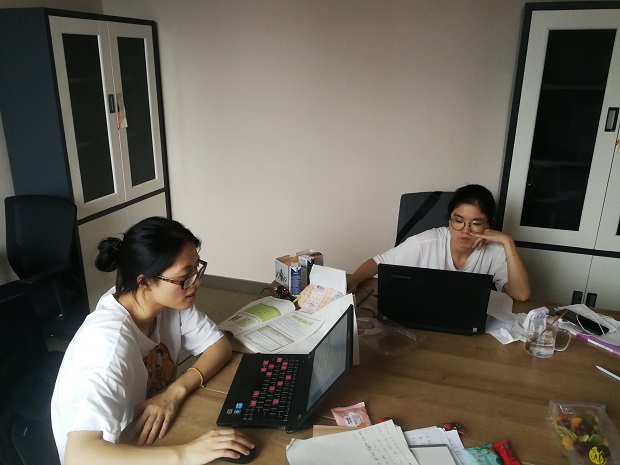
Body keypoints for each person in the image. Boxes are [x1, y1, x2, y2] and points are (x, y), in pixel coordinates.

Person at [51, 217, 255, 465]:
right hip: (114, 453)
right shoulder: (107, 346)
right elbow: (78, 456)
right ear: (146, 282)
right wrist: (186, 454)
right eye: (185, 276)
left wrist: (173, 393)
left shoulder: (166, 301)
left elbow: (218, 346)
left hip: (147, 433)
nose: (197, 283)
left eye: (197, 269)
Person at [347, 184, 531, 301]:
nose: (465, 230)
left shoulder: (495, 251)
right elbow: (378, 262)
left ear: (488, 224)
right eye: (458, 220)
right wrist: (354, 280)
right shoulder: (428, 242)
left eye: (476, 223)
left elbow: (521, 295)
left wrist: (508, 242)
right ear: (449, 220)